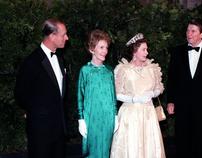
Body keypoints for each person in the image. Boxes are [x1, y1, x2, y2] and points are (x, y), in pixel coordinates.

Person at [166, 18, 202, 158]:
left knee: (200, 141)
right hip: (182, 104)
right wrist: (171, 101)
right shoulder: (177, 51)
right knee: (182, 141)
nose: (189, 34)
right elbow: (172, 78)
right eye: (187, 30)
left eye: (193, 31)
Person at [14, 18, 69, 158]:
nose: (67, 38)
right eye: (63, 34)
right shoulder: (31, 62)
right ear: (52, 35)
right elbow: (20, 95)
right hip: (40, 132)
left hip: (59, 130)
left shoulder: (60, 59)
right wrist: (37, 113)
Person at [110, 33, 166, 158]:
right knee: (132, 147)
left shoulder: (152, 68)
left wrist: (152, 93)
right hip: (130, 115)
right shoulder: (123, 70)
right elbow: (116, 93)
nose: (147, 52)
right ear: (135, 51)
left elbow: (159, 88)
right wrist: (134, 99)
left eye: (147, 49)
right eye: (143, 49)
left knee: (150, 147)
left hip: (149, 114)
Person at [77, 29, 117, 158]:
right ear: (92, 48)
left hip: (108, 119)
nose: (105, 50)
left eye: (106, 47)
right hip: (92, 119)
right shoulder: (85, 70)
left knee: (105, 152)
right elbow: (80, 96)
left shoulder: (109, 71)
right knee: (93, 152)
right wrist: (81, 119)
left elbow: (113, 96)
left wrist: (115, 116)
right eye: (101, 47)